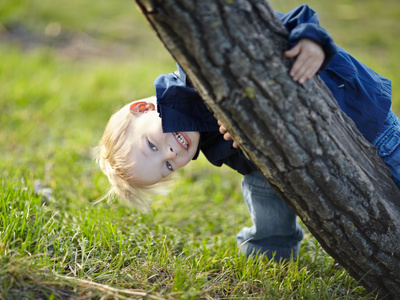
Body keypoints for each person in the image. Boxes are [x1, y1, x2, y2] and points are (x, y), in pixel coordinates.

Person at [95, 4, 400, 261]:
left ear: (142, 108)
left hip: (364, 120)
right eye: (168, 166)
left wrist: (311, 42)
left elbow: (290, 19)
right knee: (262, 177)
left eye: (151, 145)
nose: (171, 153)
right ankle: (271, 245)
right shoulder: (211, 139)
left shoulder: (198, 67)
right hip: (327, 155)